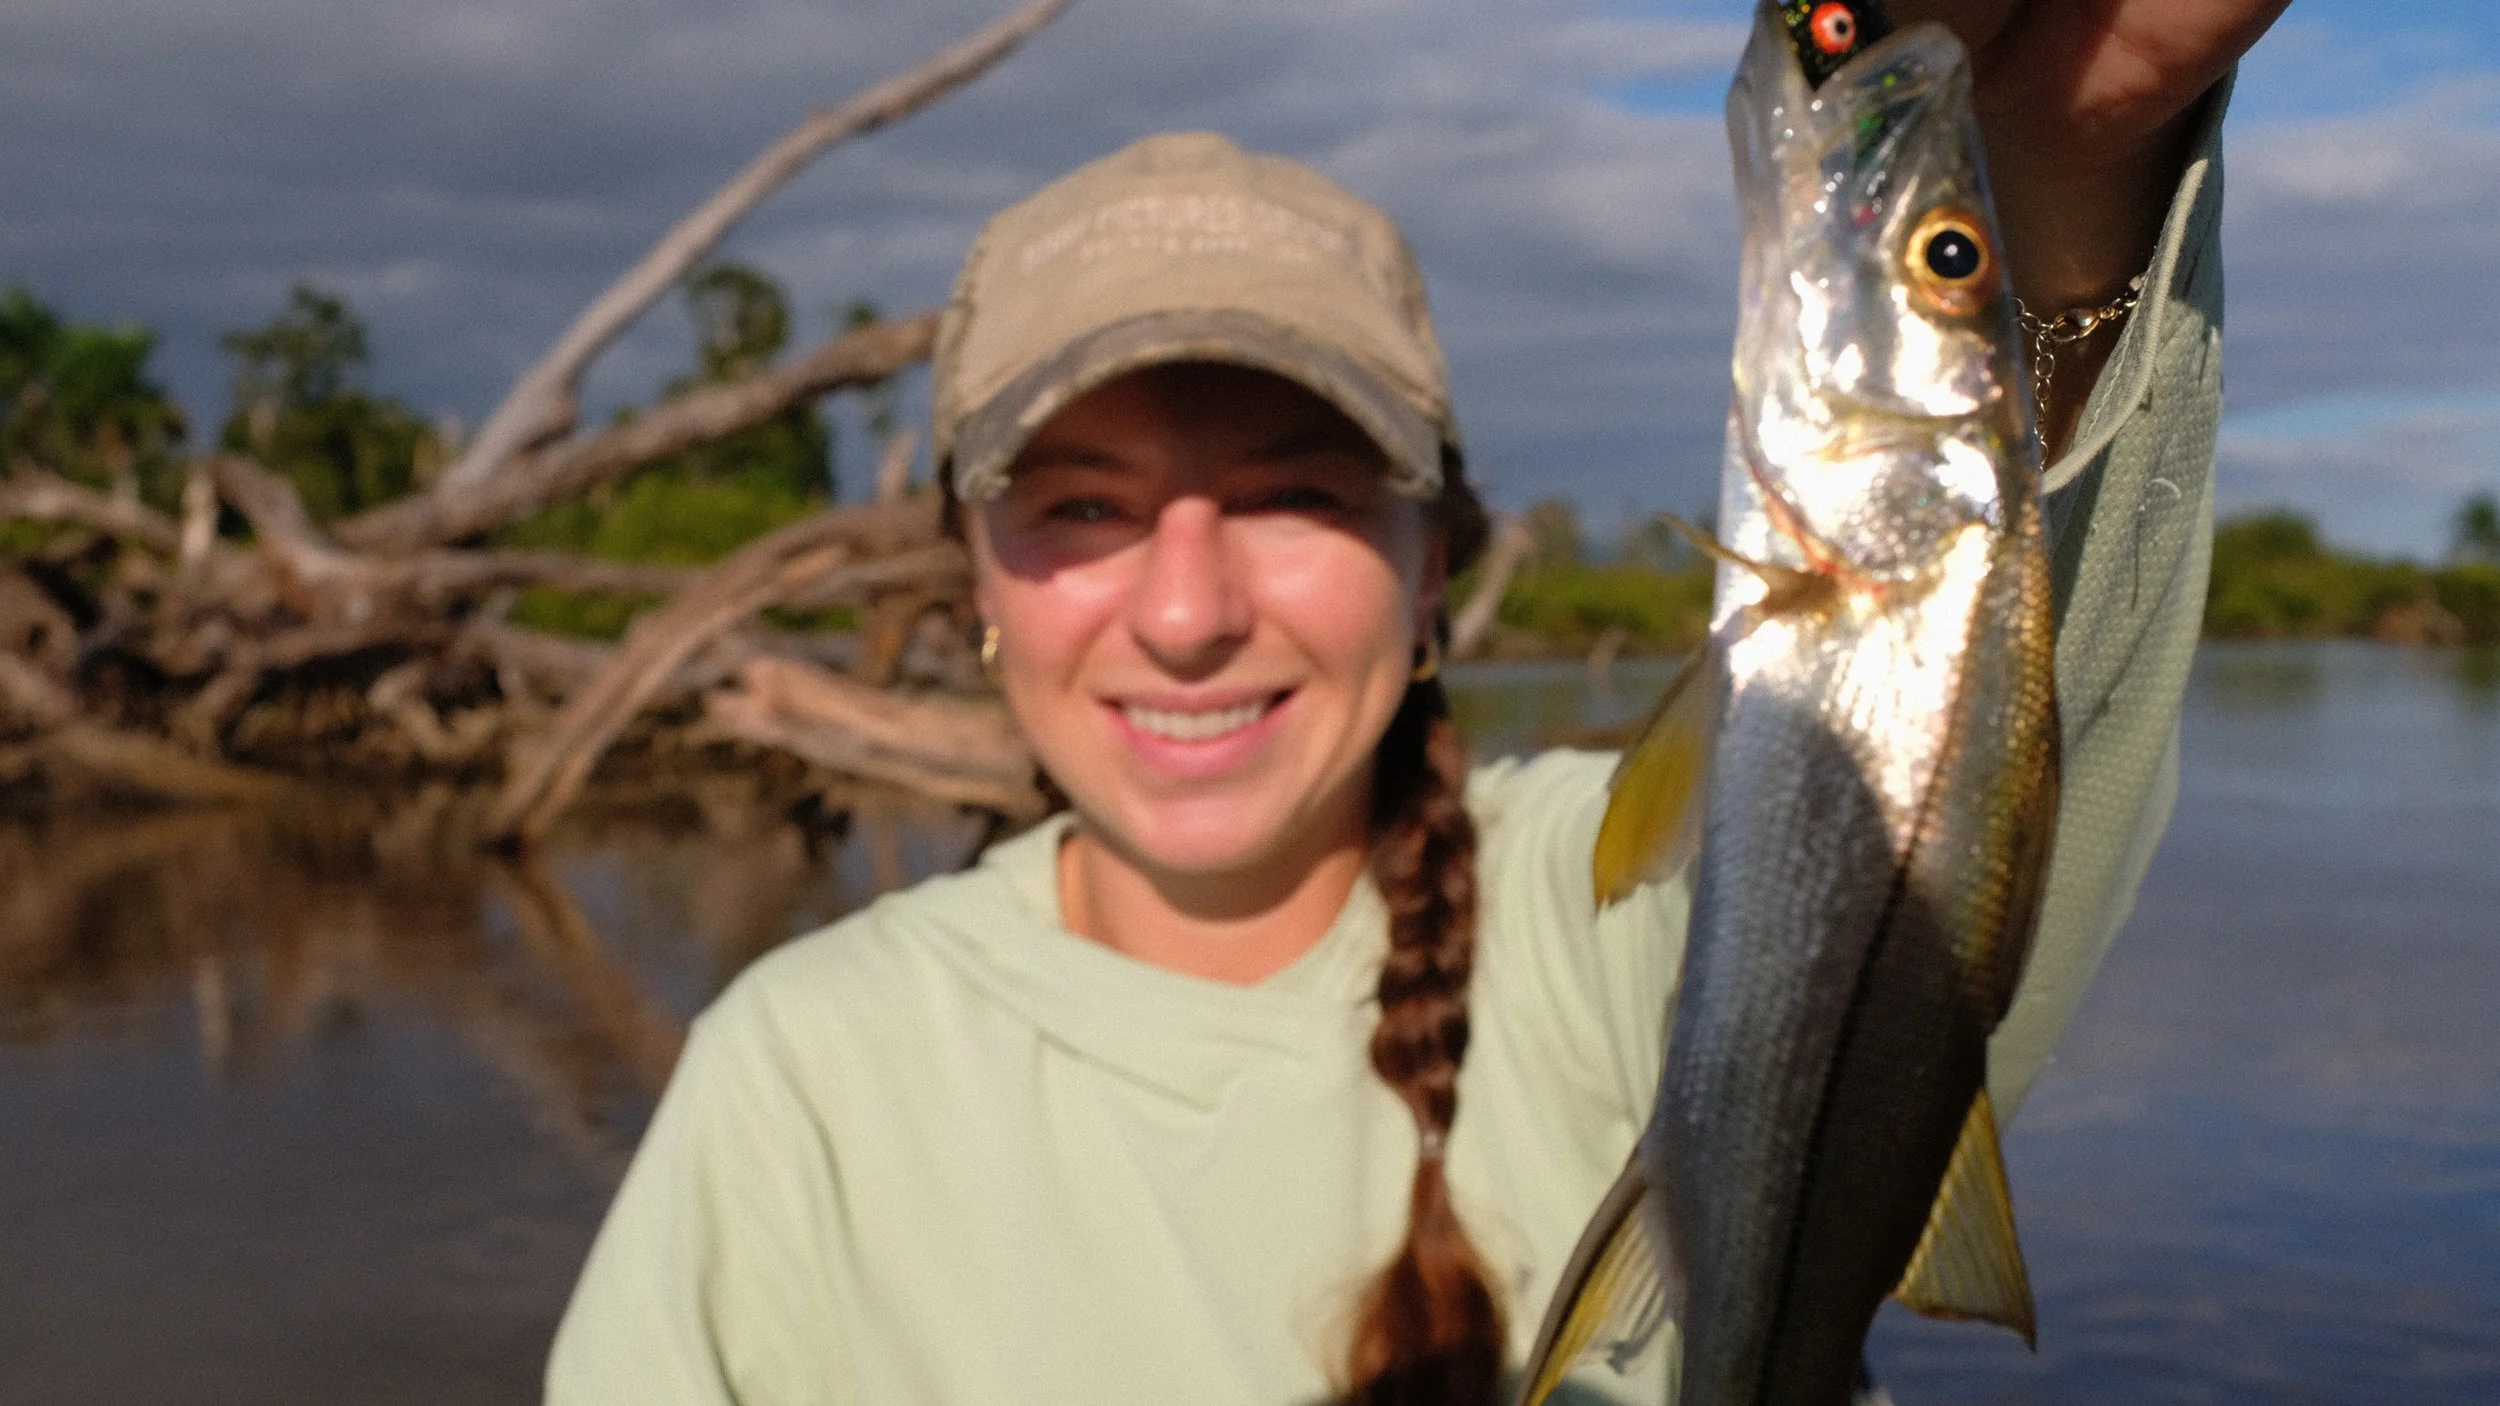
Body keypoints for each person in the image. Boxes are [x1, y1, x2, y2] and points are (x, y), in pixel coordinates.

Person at [547, 3, 2287, 1401]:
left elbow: (1989, 800)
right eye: (1078, 505)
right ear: (973, 581)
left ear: (1437, 559)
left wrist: (2065, 199)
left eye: (1298, 491)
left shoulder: (1605, 924)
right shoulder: (790, 1078)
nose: (1185, 609)